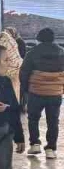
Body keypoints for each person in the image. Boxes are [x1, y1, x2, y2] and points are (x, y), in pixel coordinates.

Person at [19, 27, 64, 158]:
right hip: (55, 93)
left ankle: (34, 145)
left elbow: (24, 73)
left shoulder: (32, 53)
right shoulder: (62, 52)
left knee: (33, 118)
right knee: (53, 121)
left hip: (36, 92)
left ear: (38, 38)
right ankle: (51, 149)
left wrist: (26, 89)